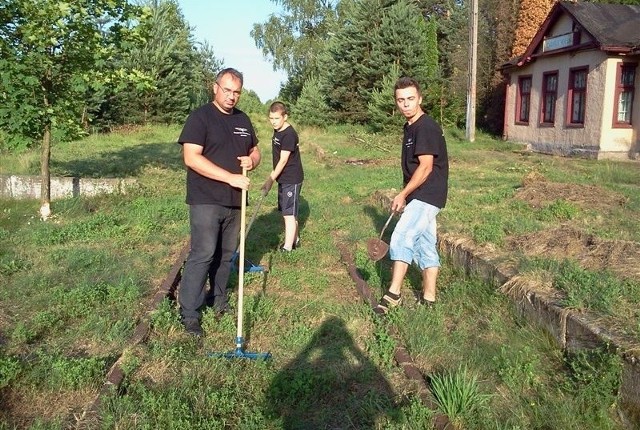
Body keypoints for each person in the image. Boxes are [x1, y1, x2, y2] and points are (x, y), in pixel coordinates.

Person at [177, 68, 261, 336]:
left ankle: (219, 300)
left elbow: (254, 149)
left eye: (236, 92)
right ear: (215, 88)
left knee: (226, 256)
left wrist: (253, 160)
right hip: (206, 199)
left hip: (236, 201)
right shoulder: (200, 118)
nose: (231, 96)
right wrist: (229, 177)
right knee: (203, 254)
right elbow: (191, 157)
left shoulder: (243, 120)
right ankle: (189, 312)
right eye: (227, 90)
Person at [374, 77, 449, 315]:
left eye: (410, 99)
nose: (406, 104)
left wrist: (402, 193)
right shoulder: (410, 127)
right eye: (401, 100)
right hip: (420, 194)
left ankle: (393, 294)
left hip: (428, 193)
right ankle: (429, 298)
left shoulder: (426, 127)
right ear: (396, 103)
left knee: (401, 237)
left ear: (420, 99)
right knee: (426, 244)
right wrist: (407, 194)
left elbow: (426, 167)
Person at [261, 101, 304, 252]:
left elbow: (284, 159)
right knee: (289, 212)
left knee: (288, 214)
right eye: (271, 118)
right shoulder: (277, 130)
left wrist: (270, 179)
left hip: (291, 178)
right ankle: (296, 239)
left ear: (285, 117)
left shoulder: (289, 134)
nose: (273, 122)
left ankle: (287, 247)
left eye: (277, 118)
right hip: (283, 178)